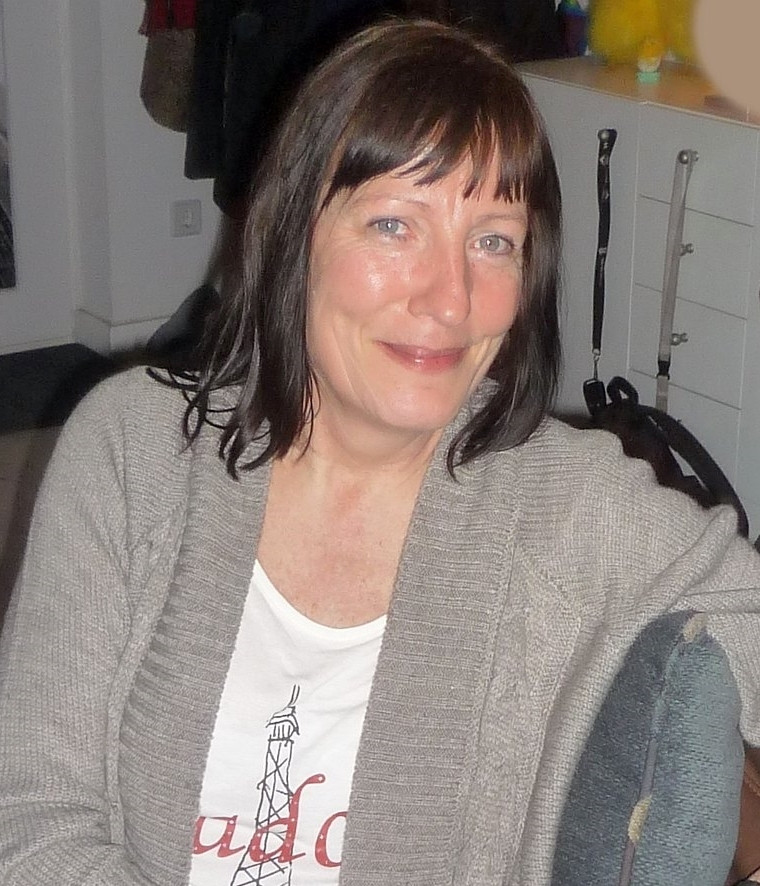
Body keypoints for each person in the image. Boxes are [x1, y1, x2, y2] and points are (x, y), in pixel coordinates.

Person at [1, 18, 759, 886]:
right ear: (294, 234)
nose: (450, 298)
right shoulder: (135, 452)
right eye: (395, 225)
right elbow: (30, 822)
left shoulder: (566, 503)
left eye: (493, 240)